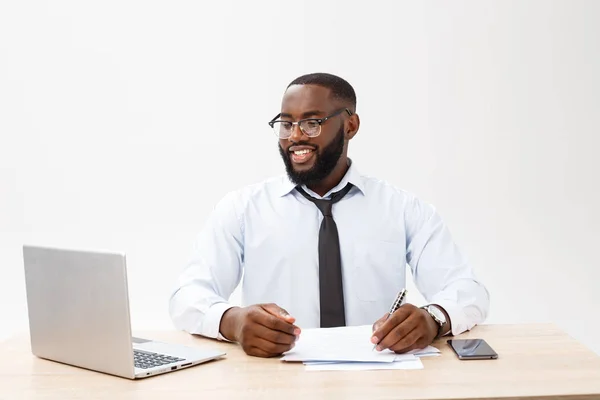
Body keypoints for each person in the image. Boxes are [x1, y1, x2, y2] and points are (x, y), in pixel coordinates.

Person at [169, 72, 489, 358]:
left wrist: (433, 318)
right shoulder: (241, 209)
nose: (295, 136)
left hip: (378, 385)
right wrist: (232, 321)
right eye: (286, 123)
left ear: (350, 125)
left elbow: (468, 291)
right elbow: (187, 297)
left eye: (312, 122)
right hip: (274, 382)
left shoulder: (404, 209)